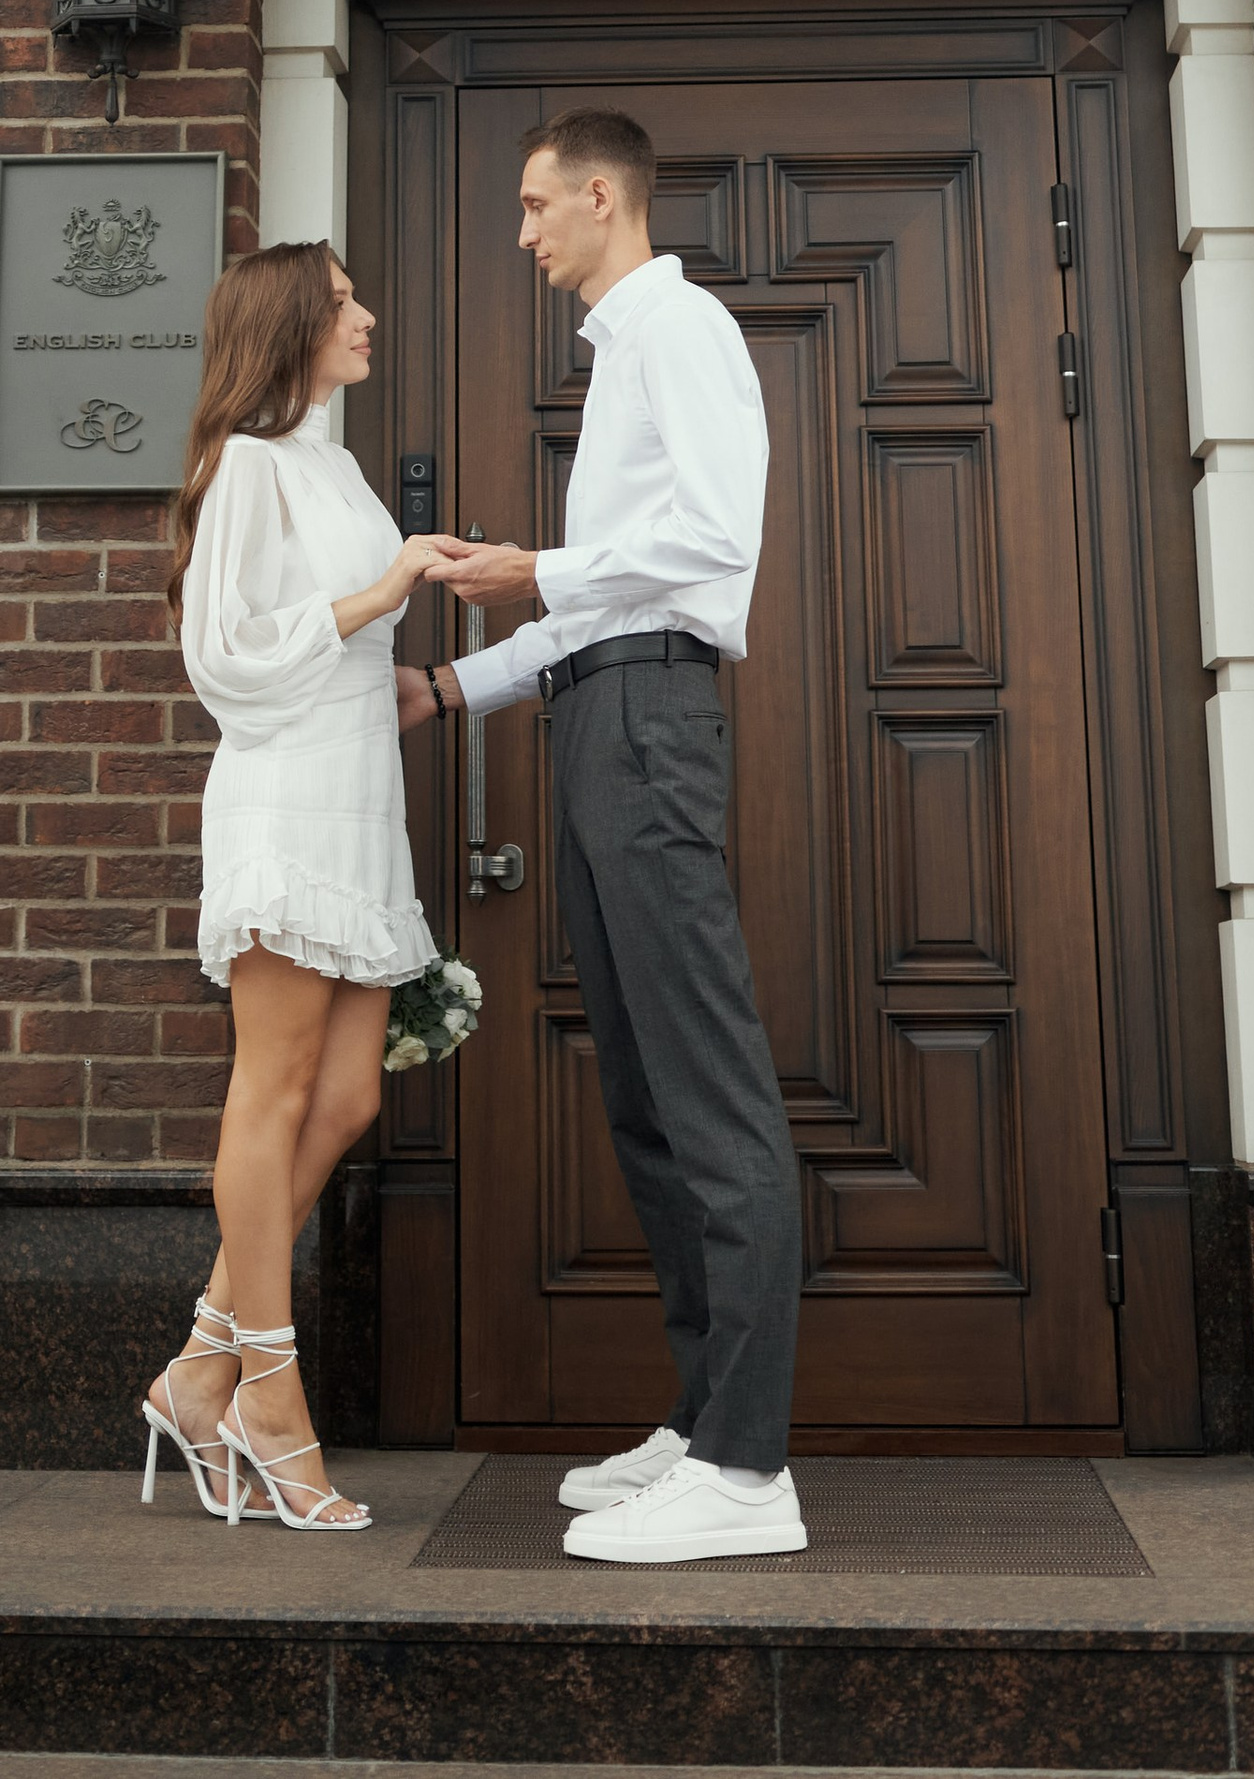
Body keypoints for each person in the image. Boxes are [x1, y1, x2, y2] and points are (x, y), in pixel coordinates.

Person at [419, 109, 804, 1564]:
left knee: (704, 1093)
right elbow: (594, 614)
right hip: (600, 714)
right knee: (646, 1096)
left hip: (647, 729)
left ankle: (752, 1475)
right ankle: (707, 1425)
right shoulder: (626, 351)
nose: (522, 235)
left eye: (534, 207)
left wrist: (531, 563)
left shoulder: (678, 328)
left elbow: (711, 544)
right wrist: (450, 685)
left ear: (600, 196)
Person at [140, 237, 455, 1533]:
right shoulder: (245, 466)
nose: (367, 317)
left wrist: (403, 680)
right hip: (280, 801)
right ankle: (267, 1384)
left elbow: (325, 639)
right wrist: (383, 590)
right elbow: (219, 658)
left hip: (358, 796)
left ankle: (197, 1370)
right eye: (343, 305)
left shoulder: (328, 460)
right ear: (292, 328)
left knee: (343, 1096)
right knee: (272, 1090)